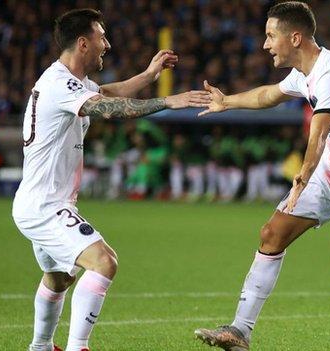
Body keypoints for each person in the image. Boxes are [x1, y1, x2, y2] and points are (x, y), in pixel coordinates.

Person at [194, 2, 330, 350]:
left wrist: (302, 177)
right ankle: (239, 331)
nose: (265, 44)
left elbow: (319, 132)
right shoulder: (304, 72)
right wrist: (227, 101)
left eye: (270, 36)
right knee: (271, 234)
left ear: (294, 38)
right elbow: (269, 95)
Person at [11, 9, 210, 351]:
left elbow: (107, 92)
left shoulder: (69, 82)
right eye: (102, 38)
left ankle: (41, 346)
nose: (108, 44)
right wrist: (167, 101)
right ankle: (78, 347)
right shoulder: (60, 85)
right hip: (45, 206)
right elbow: (109, 109)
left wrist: (149, 75)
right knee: (104, 262)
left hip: (39, 200)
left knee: (58, 278)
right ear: (83, 43)